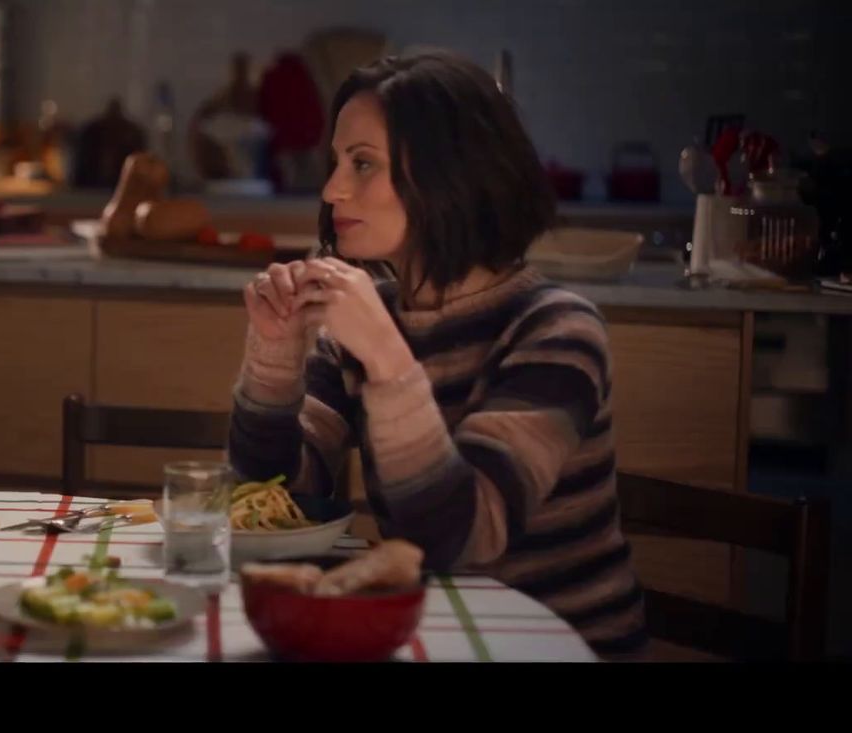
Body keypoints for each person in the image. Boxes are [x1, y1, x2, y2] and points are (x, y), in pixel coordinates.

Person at [227, 51, 646, 659]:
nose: (331, 189)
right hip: (429, 633)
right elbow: (277, 496)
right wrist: (274, 359)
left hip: (555, 644)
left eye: (362, 164)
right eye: (336, 162)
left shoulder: (557, 330)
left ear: (450, 174)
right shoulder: (363, 323)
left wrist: (388, 361)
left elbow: (466, 536)